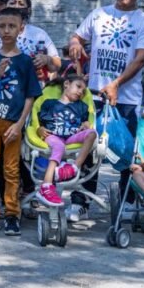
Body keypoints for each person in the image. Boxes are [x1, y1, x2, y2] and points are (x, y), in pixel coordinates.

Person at [67, 0, 144, 221]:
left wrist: (116, 83)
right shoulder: (98, 14)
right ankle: (81, 201)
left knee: (127, 151)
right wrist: (75, 43)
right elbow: (77, 36)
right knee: (88, 149)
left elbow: (140, 59)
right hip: (94, 96)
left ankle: (128, 200)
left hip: (126, 100)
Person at [0, 8, 43, 236]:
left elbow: (30, 96)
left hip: (13, 125)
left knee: (12, 171)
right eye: (2, 26)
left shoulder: (24, 61)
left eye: (11, 26)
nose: (6, 31)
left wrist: (20, 124)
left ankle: (12, 215)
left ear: (21, 28)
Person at [34, 74, 96, 208]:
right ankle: (46, 186)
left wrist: (85, 125)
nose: (80, 92)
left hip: (71, 136)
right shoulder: (49, 103)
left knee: (92, 133)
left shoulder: (82, 107)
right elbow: (38, 124)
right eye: (78, 87)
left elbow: (86, 121)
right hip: (54, 135)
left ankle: (74, 167)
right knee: (59, 147)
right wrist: (40, 130)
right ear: (66, 84)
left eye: (83, 91)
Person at [1, 0, 62, 80]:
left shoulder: (39, 34)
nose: (16, 7)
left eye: (21, 4)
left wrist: (46, 59)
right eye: (12, 3)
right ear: (5, 7)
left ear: (28, 10)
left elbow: (57, 64)